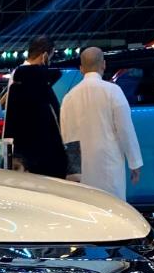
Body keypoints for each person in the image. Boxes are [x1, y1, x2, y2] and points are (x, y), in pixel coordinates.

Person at [59, 46, 143, 199]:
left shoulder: (68, 98)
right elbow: (125, 130)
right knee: (112, 207)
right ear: (103, 64)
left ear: (81, 69)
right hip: (109, 165)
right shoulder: (113, 91)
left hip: (82, 170)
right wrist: (135, 162)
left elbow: (66, 138)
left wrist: (72, 173)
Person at [2, 36, 67, 178]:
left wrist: (7, 157)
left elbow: (9, 122)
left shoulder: (17, 78)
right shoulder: (42, 83)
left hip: (22, 158)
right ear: (45, 56)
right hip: (45, 159)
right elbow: (58, 124)